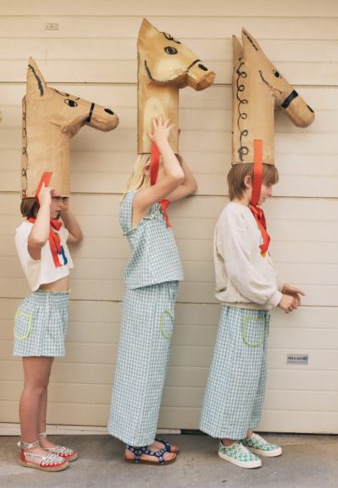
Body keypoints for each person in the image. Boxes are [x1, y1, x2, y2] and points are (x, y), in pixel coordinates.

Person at [199, 162, 305, 469]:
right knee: (235, 377)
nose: (271, 192)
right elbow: (240, 270)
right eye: (268, 185)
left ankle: (243, 431)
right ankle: (228, 442)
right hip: (242, 309)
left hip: (255, 308)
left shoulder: (248, 215)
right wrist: (275, 297)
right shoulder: (233, 215)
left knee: (251, 379)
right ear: (249, 181)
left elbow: (256, 263)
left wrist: (282, 286)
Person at [108, 116, 197, 465]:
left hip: (158, 296)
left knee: (149, 370)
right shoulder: (135, 202)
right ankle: (135, 444)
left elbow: (188, 183)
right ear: (148, 169)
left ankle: (140, 434)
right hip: (147, 296)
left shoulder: (155, 206)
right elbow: (174, 178)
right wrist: (160, 141)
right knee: (141, 370)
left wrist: (173, 148)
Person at [13, 184, 83, 472]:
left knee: (43, 385)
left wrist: (63, 208)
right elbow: (38, 239)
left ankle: (41, 438)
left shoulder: (53, 228)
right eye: (56, 198)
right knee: (33, 386)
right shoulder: (27, 231)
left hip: (56, 308)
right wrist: (45, 202)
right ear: (38, 199)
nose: (60, 204)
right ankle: (29, 447)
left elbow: (77, 235)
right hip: (40, 308)